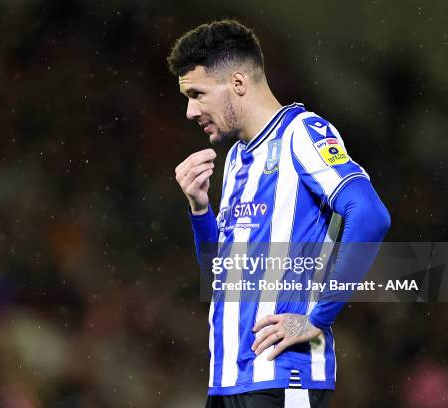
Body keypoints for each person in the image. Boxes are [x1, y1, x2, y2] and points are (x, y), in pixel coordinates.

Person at [168, 20, 391, 408]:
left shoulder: (301, 133)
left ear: (238, 83)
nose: (190, 111)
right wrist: (200, 210)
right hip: (228, 381)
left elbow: (370, 215)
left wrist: (317, 318)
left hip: (282, 377)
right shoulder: (237, 157)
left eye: (197, 94)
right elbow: (221, 280)